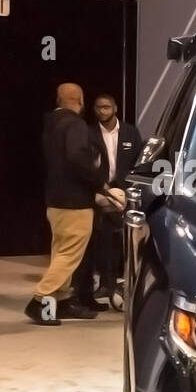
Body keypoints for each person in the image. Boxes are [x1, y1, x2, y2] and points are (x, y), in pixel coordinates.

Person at [26, 83, 104, 325]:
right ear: (78, 99)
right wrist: (99, 181)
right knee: (68, 255)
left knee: (61, 252)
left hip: (55, 200)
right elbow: (77, 157)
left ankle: (59, 302)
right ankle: (40, 300)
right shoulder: (75, 124)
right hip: (75, 202)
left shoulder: (51, 124)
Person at [73, 94, 140, 306]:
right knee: (101, 238)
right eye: (99, 107)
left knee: (122, 240)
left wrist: (130, 189)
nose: (102, 111)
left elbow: (138, 161)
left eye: (106, 107)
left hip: (124, 190)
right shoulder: (88, 133)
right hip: (99, 190)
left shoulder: (130, 131)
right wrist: (101, 188)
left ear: (115, 108)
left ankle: (120, 283)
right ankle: (105, 282)